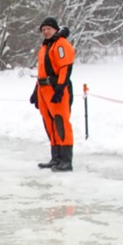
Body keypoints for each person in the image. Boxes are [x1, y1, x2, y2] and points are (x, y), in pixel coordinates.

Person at [31, 17, 76, 172]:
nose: (46, 32)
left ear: (55, 29)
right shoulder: (45, 47)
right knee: (49, 123)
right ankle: (55, 158)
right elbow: (41, 71)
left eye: (48, 29)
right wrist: (35, 91)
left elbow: (65, 67)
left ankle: (66, 161)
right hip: (43, 89)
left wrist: (60, 89)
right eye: (43, 30)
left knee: (60, 122)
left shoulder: (61, 44)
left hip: (56, 88)